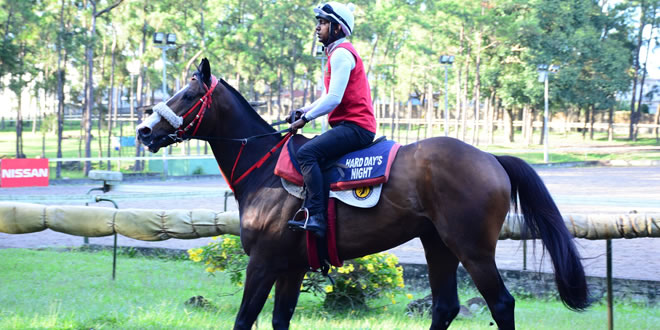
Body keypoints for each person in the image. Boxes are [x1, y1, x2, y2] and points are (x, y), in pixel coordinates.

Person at [287, 2, 376, 238]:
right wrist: (302, 110)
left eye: (323, 23)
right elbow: (328, 97)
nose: (318, 28)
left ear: (337, 28)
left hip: (356, 128)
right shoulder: (337, 53)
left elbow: (334, 99)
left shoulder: (342, 55)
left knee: (307, 153)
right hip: (351, 126)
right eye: (319, 22)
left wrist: (304, 119)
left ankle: (316, 215)